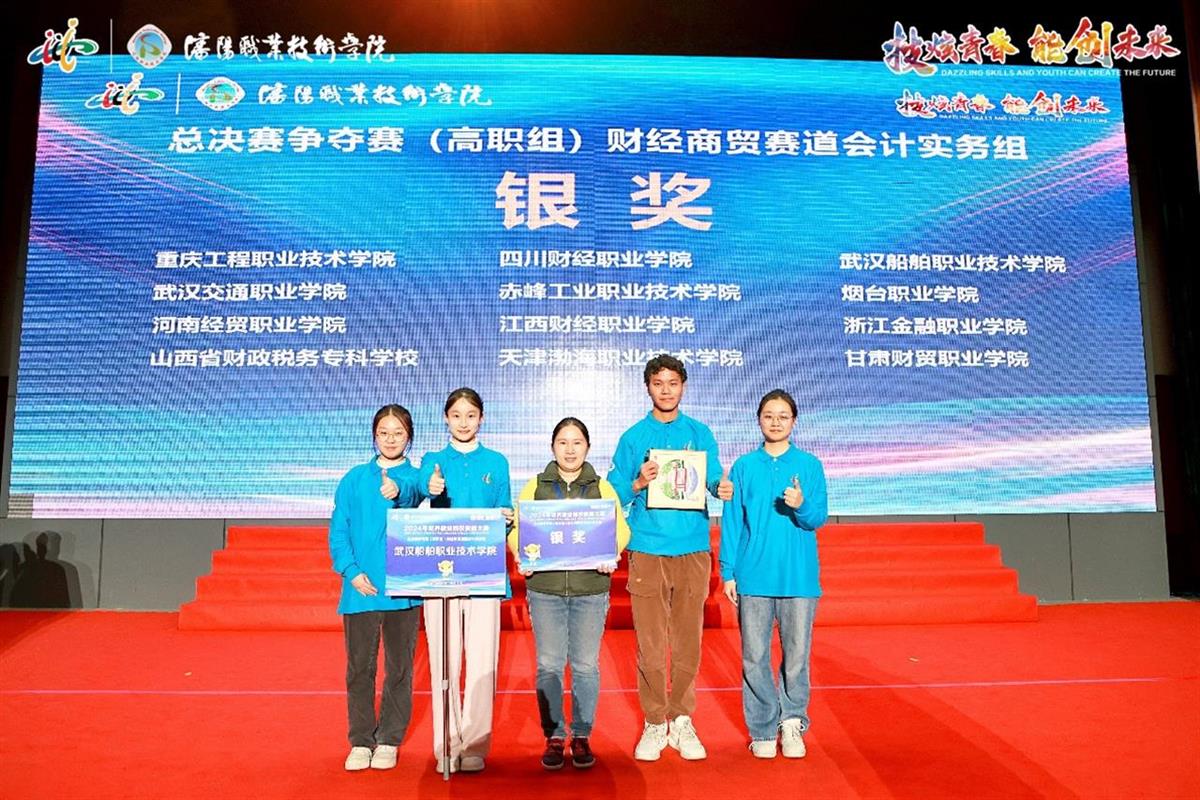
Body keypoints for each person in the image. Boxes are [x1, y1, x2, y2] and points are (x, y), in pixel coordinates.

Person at [607, 354, 732, 762]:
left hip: (692, 548)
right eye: (658, 383)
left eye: (673, 383)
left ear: (683, 387)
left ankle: (681, 718)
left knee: (687, 641)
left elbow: (712, 478)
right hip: (647, 549)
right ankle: (654, 721)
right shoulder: (634, 437)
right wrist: (638, 482)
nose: (666, 390)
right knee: (650, 642)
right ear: (648, 387)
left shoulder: (699, 433)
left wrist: (720, 486)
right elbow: (613, 493)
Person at [507, 417, 631, 771]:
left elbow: (622, 530)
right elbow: (517, 530)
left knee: (585, 665)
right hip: (545, 590)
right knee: (548, 664)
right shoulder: (535, 486)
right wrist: (521, 554)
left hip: (590, 589)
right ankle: (554, 736)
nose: (570, 449)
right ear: (552, 447)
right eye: (563, 442)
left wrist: (611, 553)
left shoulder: (602, 488)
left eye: (577, 442)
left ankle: (581, 734)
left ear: (588, 447)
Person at [719, 389, 828, 759]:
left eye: (783, 416)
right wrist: (728, 571)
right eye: (769, 415)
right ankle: (762, 728)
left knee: (796, 657)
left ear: (794, 421)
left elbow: (817, 518)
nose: (776, 422)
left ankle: (792, 721)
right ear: (759, 420)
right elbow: (733, 522)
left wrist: (801, 504)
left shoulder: (809, 465)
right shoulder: (744, 467)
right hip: (753, 578)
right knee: (754, 657)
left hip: (798, 579)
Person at [417, 388, 513, 774]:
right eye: (456, 415)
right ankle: (446, 742)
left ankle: (474, 743)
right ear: (446, 418)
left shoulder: (496, 462)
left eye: (470, 415)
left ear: (481, 419)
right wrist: (431, 487)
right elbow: (423, 485)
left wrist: (507, 519)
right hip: (440, 573)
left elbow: (505, 510)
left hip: (484, 571)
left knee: (482, 659)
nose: (463, 422)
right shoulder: (433, 460)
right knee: (444, 659)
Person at [328, 404, 423, 771]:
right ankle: (361, 740)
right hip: (361, 590)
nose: (390, 439)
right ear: (374, 436)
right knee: (359, 669)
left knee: (399, 669)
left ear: (409, 437)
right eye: (384, 433)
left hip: (403, 590)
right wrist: (351, 571)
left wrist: (399, 490)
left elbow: (414, 495)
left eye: (398, 433)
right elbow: (339, 529)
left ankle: (389, 739)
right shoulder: (354, 479)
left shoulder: (417, 477)